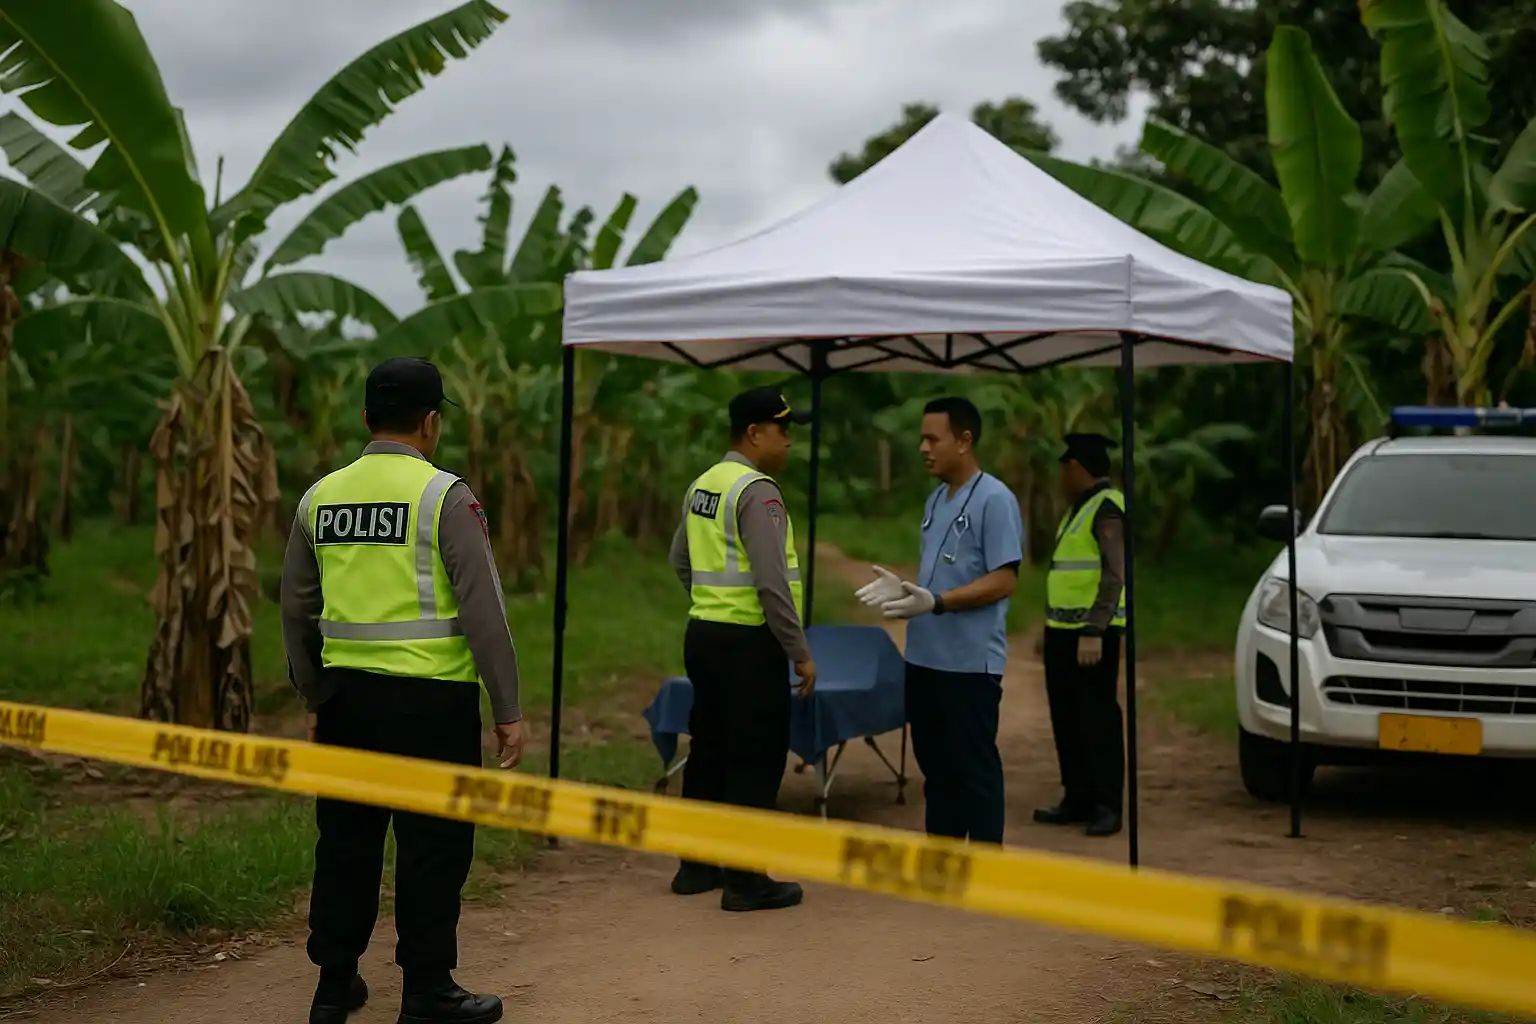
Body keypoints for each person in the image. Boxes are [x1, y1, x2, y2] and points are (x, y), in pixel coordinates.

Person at [281, 356, 523, 1024]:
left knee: (346, 842)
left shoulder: (319, 498)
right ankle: (426, 990)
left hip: (347, 704)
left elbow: (294, 609)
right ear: (431, 421)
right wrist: (507, 711)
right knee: (433, 847)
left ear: (365, 419)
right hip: (431, 704)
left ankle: (334, 986)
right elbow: (484, 611)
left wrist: (315, 695)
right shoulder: (444, 496)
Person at [666, 385, 817, 911]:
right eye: (783, 429)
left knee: (709, 747)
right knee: (755, 755)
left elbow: (679, 559)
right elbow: (772, 584)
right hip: (750, 643)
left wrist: (710, 603)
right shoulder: (758, 491)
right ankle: (746, 881)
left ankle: (696, 866)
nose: (789, 441)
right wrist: (798, 650)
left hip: (704, 635)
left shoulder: (704, 485)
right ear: (755, 433)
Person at [854, 396, 1023, 844]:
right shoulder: (934, 500)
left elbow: (1004, 579)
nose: (923, 447)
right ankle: (943, 859)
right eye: (922, 438)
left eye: (933, 438)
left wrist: (939, 601)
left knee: (974, 767)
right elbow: (942, 576)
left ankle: (985, 865)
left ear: (964, 441)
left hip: (969, 664)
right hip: (925, 659)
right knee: (936, 768)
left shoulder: (995, 499)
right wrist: (908, 589)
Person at [1032, 432, 1127, 838]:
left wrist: (1094, 629)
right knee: (1066, 717)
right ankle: (1077, 797)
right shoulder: (1077, 509)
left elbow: (1115, 572)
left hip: (1092, 634)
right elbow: (1068, 575)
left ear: (1078, 468)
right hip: (1063, 631)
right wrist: (1049, 626)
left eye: (1063, 469)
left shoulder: (1107, 508)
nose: (1059, 478)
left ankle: (1106, 804)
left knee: (1098, 717)